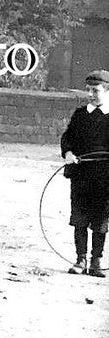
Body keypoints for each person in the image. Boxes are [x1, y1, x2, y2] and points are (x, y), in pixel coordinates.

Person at [60, 70, 109, 278]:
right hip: (81, 176)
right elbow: (67, 137)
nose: (90, 94)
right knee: (79, 218)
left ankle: (96, 260)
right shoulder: (81, 114)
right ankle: (80, 258)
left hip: (105, 178)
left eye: (95, 91)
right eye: (88, 90)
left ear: (107, 91)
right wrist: (69, 152)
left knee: (100, 220)